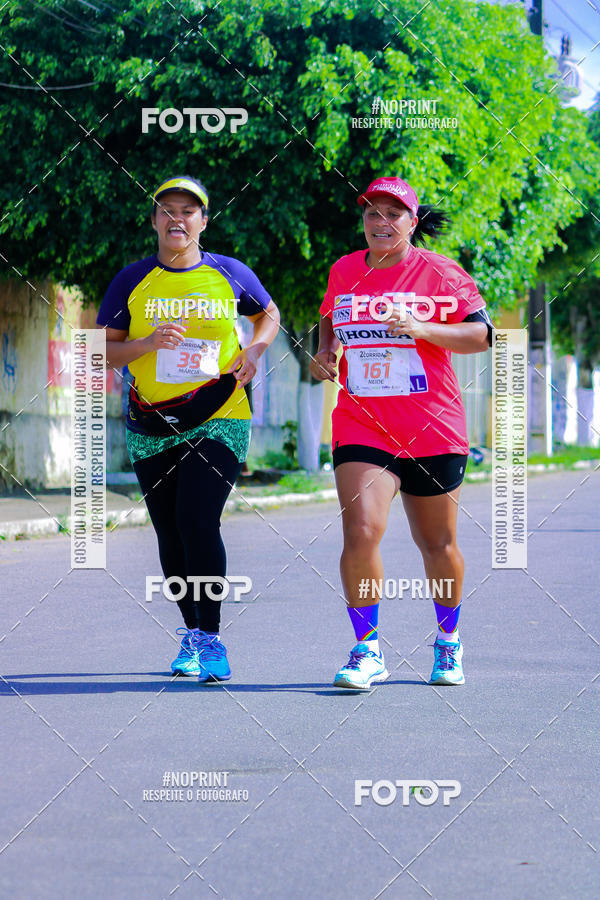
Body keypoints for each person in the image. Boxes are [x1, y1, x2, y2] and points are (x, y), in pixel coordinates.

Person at [309, 176, 492, 690]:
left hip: (432, 427)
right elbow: (329, 316)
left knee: (438, 544)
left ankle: (448, 641)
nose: (381, 223)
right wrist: (327, 352)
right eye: (372, 213)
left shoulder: (440, 273)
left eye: (393, 214)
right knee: (361, 530)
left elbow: (482, 335)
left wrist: (421, 327)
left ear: (413, 223)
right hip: (361, 423)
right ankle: (366, 649)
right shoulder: (345, 270)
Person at [96, 176, 280, 682]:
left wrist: (255, 349)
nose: (178, 219)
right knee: (169, 530)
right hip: (150, 421)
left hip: (219, 413)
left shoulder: (228, 272)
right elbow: (103, 348)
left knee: (198, 520)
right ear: (154, 220)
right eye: (167, 210)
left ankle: (213, 637)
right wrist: (147, 343)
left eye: (188, 210)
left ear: (203, 220)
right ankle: (192, 631)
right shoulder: (131, 280)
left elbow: (269, 313)